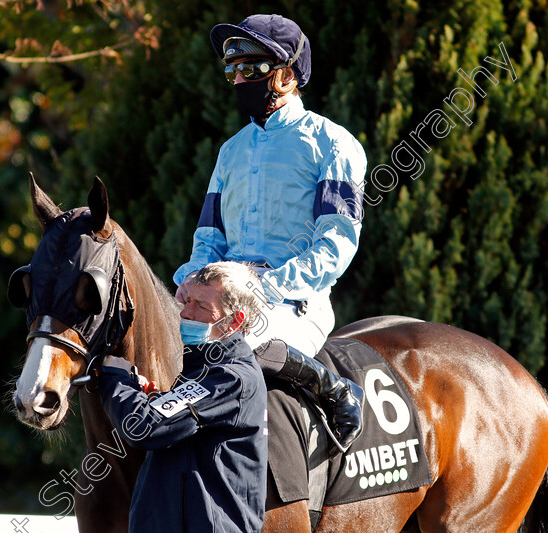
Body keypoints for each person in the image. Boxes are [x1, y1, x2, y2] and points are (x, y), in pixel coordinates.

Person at [172, 13, 367, 516]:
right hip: (223, 299)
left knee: (243, 350)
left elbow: (335, 244)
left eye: (250, 66)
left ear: (286, 73)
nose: (238, 78)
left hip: (292, 303)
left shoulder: (334, 144)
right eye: (232, 68)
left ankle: (332, 389)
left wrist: (268, 289)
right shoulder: (230, 151)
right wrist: (192, 284)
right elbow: (209, 238)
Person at [99, 261, 267, 533]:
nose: (186, 313)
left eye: (201, 306)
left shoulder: (231, 377)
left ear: (234, 321)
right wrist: (154, 399)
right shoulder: (202, 369)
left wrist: (115, 378)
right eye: (187, 301)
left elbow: (144, 428)